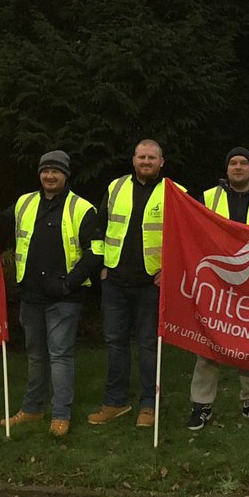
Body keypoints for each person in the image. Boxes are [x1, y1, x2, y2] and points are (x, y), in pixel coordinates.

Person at [0, 151, 98, 438]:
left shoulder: (81, 207)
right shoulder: (25, 202)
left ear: (65, 175)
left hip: (64, 297)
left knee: (60, 355)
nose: (50, 176)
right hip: (31, 293)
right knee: (35, 356)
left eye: (56, 171)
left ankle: (61, 414)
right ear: (39, 174)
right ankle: (33, 408)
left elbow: (96, 251)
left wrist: (69, 284)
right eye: (45, 170)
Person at [187, 146, 249, 430]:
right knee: (207, 341)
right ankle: (201, 405)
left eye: (243, 163)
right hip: (215, 282)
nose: (238, 167)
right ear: (226, 168)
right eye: (233, 163)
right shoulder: (207, 197)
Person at [87, 139, 184, 428]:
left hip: (150, 284)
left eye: (152, 158)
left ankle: (148, 405)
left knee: (148, 345)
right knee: (115, 343)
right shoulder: (115, 187)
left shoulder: (175, 193)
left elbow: (183, 240)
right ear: (133, 160)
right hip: (114, 281)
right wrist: (103, 265)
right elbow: (100, 229)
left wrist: (170, 270)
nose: (146, 162)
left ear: (161, 162)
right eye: (142, 157)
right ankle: (115, 402)